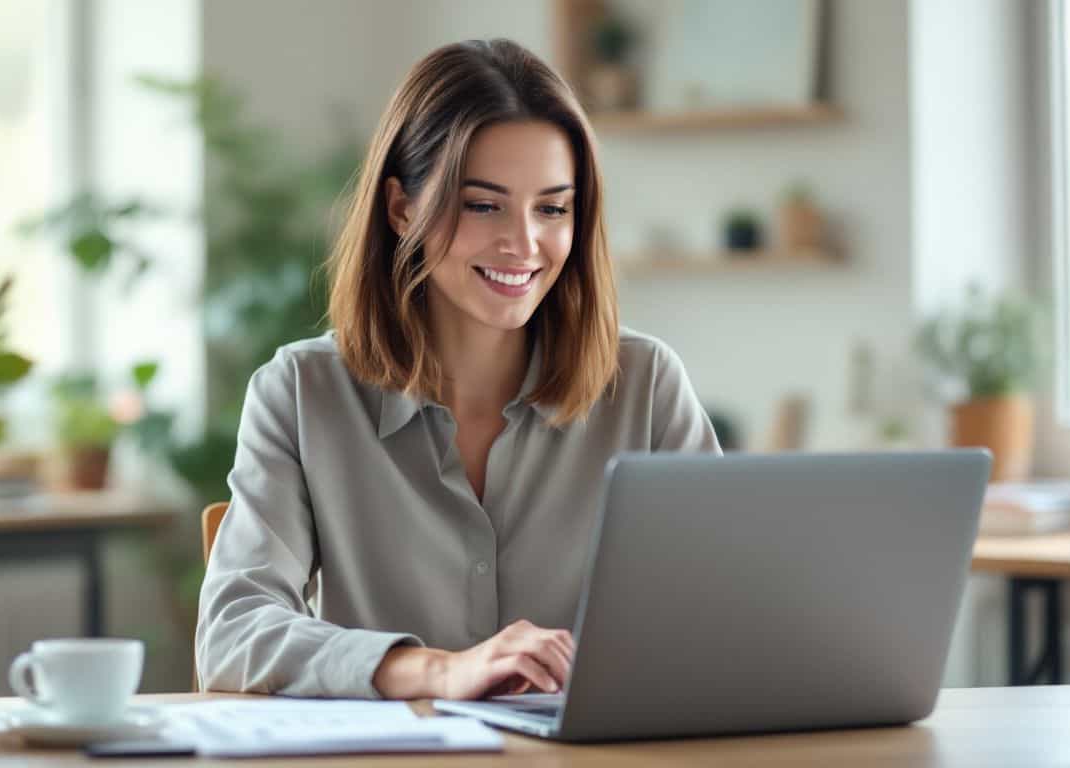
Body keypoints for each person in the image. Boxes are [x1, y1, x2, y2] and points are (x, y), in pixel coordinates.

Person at [196, 38, 720, 701]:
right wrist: (440, 670)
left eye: (552, 208)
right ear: (401, 207)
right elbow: (233, 632)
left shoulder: (645, 386)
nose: (524, 242)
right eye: (482, 204)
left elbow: (721, 613)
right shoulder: (301, 394)